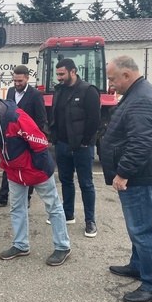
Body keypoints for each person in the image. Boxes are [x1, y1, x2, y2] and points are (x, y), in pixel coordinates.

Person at [0, 100, 71, 266]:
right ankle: (21, 245)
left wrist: (35, 169)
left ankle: (63, 247)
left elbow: (40, 144)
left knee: (53, 206)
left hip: (37, 170)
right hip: (14, 172)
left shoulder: (17, 118)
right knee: (16, 207)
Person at [101, 55, 152, 302]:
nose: (111, 84)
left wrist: (123, 172)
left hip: (139, 178)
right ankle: (137, 266)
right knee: (138, 227)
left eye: (112, 79)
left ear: (127, 75)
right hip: (141, 176)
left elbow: (141, 143)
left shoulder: (141, 99)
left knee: (142, 230)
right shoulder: (137, 94)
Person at [49, 58, 100, 238]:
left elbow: (95, 120)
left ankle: (90, 221)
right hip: (62, 145)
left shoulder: (88, 91)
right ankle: (68, 214)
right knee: (66, 181)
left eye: (62, 74)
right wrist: (54, 138)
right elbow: (55, 116)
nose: (59, 77)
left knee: (86, 184)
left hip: (82, 147)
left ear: (73, 72)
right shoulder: (59, 91)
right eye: (57, 74)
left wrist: (85, 141)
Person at [0, 65, 48, 208]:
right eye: (15, 81)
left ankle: (27, 198)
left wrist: (31, 136)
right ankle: (2, 196)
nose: (17, 84)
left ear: (27, 78)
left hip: (27, 139)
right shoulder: (11, 91)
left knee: (28, 169)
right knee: (8, 167)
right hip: (11, 138)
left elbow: (41, 119)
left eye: (20, 81)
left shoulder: (35, 95)